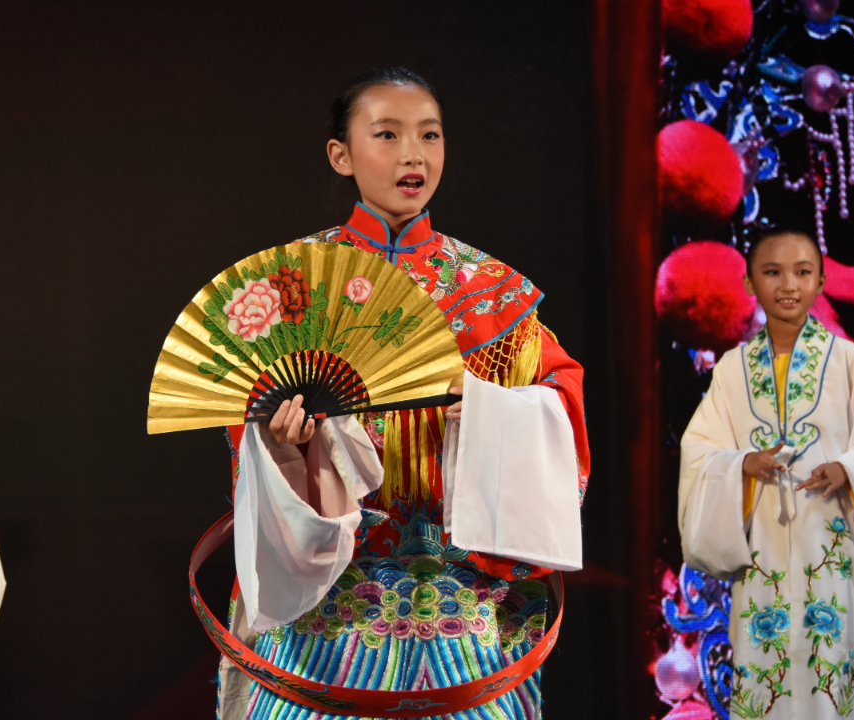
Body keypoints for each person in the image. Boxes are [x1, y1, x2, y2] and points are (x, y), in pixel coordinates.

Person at [216, 68, 591, 720]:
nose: (412, 154)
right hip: (324, 592)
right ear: (341, 154)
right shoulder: (293, 284)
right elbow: (239, 416)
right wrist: (280, 442)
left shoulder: (493, 292)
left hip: (466, 593)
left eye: (429, 135)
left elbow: (560, 411)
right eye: (386, 134)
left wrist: (484, 407)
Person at [679, 226, 854, 719]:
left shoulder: (850, 363)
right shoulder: (731, 371)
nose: (788, 285)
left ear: (821, 281)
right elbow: (699, 453)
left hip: (838, 561)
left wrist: (850, 471)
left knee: (842, 683)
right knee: (771, 687)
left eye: (802, 272)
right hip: (763, 563)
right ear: (750, 284)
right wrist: (741, 465)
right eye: (772, 272)